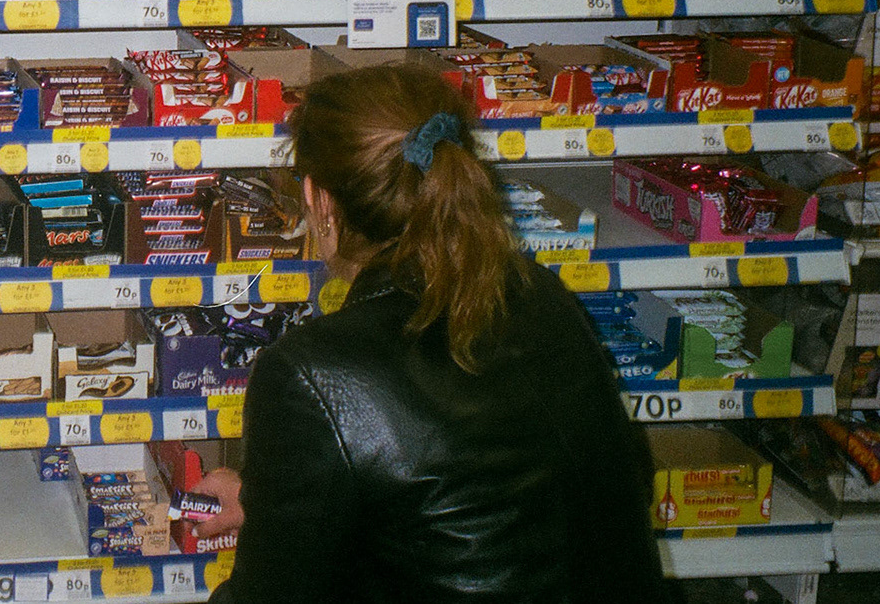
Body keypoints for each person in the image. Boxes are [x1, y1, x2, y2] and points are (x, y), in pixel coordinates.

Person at [197, 65, 669, 604]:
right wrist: (270, 501)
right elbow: (495, 500)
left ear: (320, 200)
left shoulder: (313, 374)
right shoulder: (539, 294)